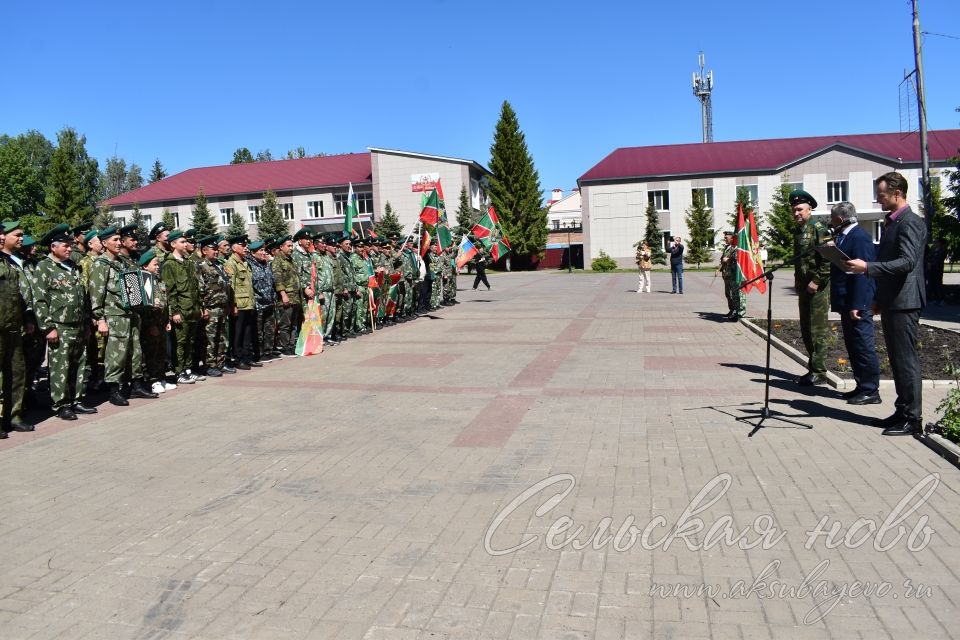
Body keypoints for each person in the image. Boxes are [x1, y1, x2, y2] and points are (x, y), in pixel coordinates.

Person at [847, 172, 927, 436]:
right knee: (896, 360)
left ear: (897, 193)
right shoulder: (893, 223)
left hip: (905, 302)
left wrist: (867, 267)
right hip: (893, 300)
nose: (878, 199)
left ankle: (913, 418)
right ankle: (902, 411)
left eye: (881, 195)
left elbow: (907, 262)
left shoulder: (910, 222)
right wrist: (879, 300)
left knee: (906, 361)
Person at [89, 226, 158, 406]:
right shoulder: (100, 264)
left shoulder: (121, 262)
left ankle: (135, 385)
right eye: (115, 240)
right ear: (104, 243)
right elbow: (96, 294)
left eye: (120, 240)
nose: (119, 243)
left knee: (136, 351)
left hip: (130, 313)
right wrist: (100, 319)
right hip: (114, 315)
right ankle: (114, 389)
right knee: (116, 354)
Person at [33, 224, 96, 420]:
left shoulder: (73, 267)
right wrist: (48, 327)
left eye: (70, 245)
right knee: (61, 367)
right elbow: (39, 300)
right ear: (53, 247)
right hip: (59, 326)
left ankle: (76, 400)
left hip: (78, 325)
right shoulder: (44, 267)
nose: (69, 249)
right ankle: (61, 405)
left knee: (78, 364)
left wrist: (86, 323)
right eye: (65, 246)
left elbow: (82, 297)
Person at [828, 202, 880, 405]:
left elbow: (863, 274)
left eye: (832, 219)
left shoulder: (859, 237)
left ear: (839, 219)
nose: (831, 223)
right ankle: (861, 386)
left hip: (858, 304)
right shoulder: (845, 236)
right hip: (847, 301)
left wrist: (858, 304)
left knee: (863, 346)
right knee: (853, 345)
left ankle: (871, 391)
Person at [790, 189, 831, 386]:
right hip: (803, 288)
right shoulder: (798, 230)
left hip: (817, 289)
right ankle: (812, 368)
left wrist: (817, 281)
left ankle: (820, 371)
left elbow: (828, 260)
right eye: (794, 210)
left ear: (809, 209)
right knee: (806, 329)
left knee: (817, 330)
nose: (796, 213)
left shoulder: (819, 228)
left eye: (799, 209)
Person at [0, 219, 35, 436]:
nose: (2, 237)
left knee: (17, 373)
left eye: (3, 234)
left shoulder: (8, 262)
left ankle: (13, 416)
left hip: (13, 327)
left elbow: (18, 296)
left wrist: (27, 318)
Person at [162, 230, 202, 384]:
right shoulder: (169, 264)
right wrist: (175, 312)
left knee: (190, 341)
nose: (186, 244)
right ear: (173, 244)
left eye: (186, 242)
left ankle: (188, 369)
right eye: (182, 242)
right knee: (180, 342)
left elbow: (195, 288)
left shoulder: (188, 263)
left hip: (192, 309)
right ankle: (179, 372)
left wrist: (199, 307)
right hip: (181, 311)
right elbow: (170, 291)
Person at [137, 249, 175, 394]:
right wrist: (151, 324)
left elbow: (166, 302)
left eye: (158, 264)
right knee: (151, 353)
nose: (158, 267)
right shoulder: (145, 281)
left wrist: (168, 319)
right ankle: (153, 380)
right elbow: (146, 307)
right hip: (151, 325)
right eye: (155, 265)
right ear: (145, 266)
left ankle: (161, 377)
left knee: (161, 352)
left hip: (161, 322)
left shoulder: (158, 280)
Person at [224, 235, 259, 370]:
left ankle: (247, 357)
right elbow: (230, 286)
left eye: (246, 245)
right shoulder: (231, 263)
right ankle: (238, 359)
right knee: (238, 334)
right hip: (239, 304)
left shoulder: (245, 262)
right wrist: (233, 305)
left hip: (248, 303)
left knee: (247, 332)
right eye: (242, 245)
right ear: (234, 248)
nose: (246, 248)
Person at [271, 235, 301, 356]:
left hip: (295, 297)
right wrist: (283, 294)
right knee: (285, 325)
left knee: (293, 324)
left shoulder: (290, 260)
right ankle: (284, 346)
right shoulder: (278, 260)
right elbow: (278, 279)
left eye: (291, 246)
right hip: (286, 297)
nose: (291, 248)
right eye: (288, 246)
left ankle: (291, 345)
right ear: (281, 247)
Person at [718, 231, 744, 320]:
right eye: (724, 237)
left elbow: (737, 260)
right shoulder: (726, 247)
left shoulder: (736, 248)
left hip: (733, 275)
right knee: (728, 294)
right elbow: (722, 259)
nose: (725, 239)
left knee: (735, 294)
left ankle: (738, 312)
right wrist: (719, 267)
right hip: (726, 274)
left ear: (732, 238)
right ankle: (731, 310)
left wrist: (728, 259)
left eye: (726, 238)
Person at [925, 238, 947, 305]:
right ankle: (934, 298)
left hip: (937, 269)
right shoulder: (933, 249)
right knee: (931, 283)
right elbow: (928, 257)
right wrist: (929, 262)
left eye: (936, 242)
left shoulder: (943, 250)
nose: (934, 243)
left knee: (938, 284)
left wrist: (931, 263)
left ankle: (941, 299)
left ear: (940, 243)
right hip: (931, 269)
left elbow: (939, 259)